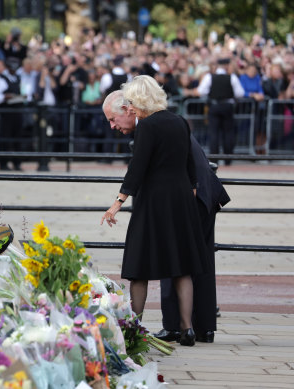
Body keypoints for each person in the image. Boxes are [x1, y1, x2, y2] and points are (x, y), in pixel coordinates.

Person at [103, 90, 231, 344]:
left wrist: (118, 202)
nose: (113, 125)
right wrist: (190, 187)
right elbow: (190, 164)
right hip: (185, 198)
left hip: (155, 201)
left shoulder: (148, 126)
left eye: (112, 118)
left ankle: (133, 331)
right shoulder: (179, 121)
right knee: (182, 266)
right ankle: (188, 329)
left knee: (139, 266)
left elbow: (137, 169)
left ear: (132, 104)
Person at [197, 58, 245, 165]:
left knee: (214, 133)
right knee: (228, 133)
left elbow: (201, 91)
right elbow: (240, 93)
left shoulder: (210, 77)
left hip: (214, 106)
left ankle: (214, 159)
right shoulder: (231, 77)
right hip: (228, 106)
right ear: (227, 66)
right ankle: (228, 159)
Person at [0, 57, 24, 171]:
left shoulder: (18, 78)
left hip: (18, 111)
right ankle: (3, 163)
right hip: (6, 112)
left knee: (17, 138)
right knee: (5, 138)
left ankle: (17, 163)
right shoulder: (1, 79)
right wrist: (5, 96)